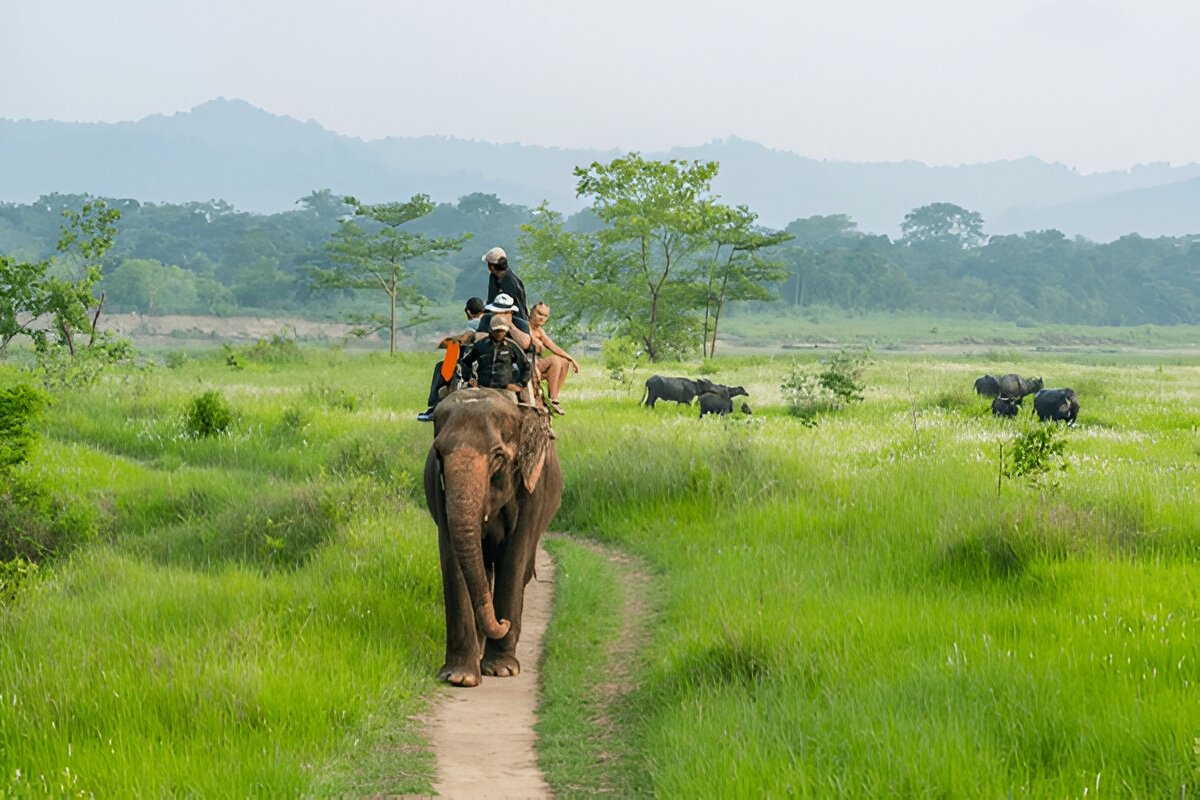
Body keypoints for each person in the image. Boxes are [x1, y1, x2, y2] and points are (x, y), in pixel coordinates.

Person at [417, 297, 486, 421]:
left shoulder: (474, 323)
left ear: (468, 312)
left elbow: (466, 337)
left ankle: (434, 406)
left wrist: (448, 342)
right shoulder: (490, 321)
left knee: (442, 366)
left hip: (474, 364)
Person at [459, 318, 530, 401]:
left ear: (506, 331)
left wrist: (519, 385)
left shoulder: (512, 346)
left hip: (505, 390)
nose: (499, 333)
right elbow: (465, 363)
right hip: (483, 389)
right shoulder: (481, 345)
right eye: (497, 330)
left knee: (514, 411)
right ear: (490, 330)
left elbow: (526, 366)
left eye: (502, 330)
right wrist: (471, 379)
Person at [528, 301, 579, 415]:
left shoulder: (540, 330)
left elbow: (552, 346)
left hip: (538, 362)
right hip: (529, 364)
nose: (542, 318)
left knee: (564, 362)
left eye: (546, 316)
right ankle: (552, 399)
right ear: (532, 313)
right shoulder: (526, 326)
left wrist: (572, 359)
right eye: (540, 314)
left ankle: (554, 397)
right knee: (555, 360)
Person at [483, 247, 529, 319]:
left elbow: (520, 309)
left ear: (491, 267)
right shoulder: (493, 276)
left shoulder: (512, 283)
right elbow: (490, 299)